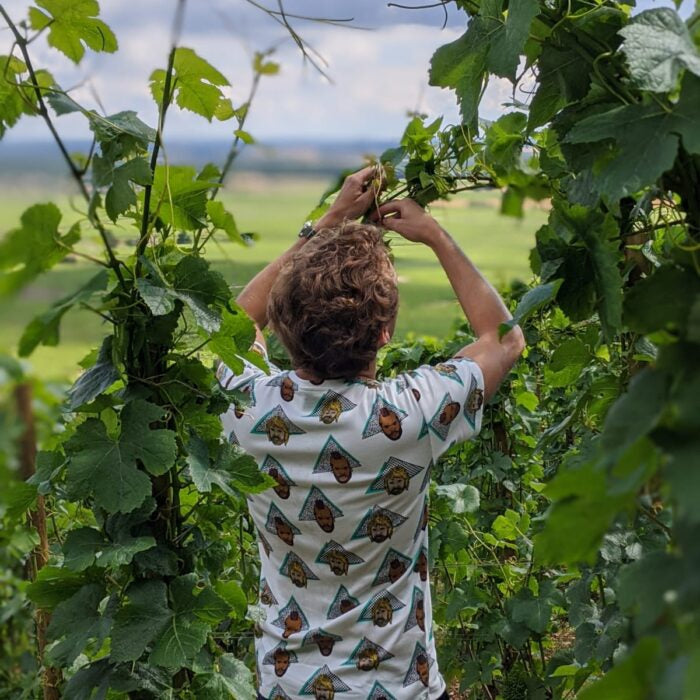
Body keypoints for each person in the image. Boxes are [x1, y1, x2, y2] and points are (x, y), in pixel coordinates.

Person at [218, 166, 525, 700]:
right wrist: (434, 234)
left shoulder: (252, 409)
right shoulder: (409, 416)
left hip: (288, 685)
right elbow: (504, 339)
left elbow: (231, 329)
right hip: (401, 686)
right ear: (385, 334)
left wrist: (328, 222)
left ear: (283, 324)